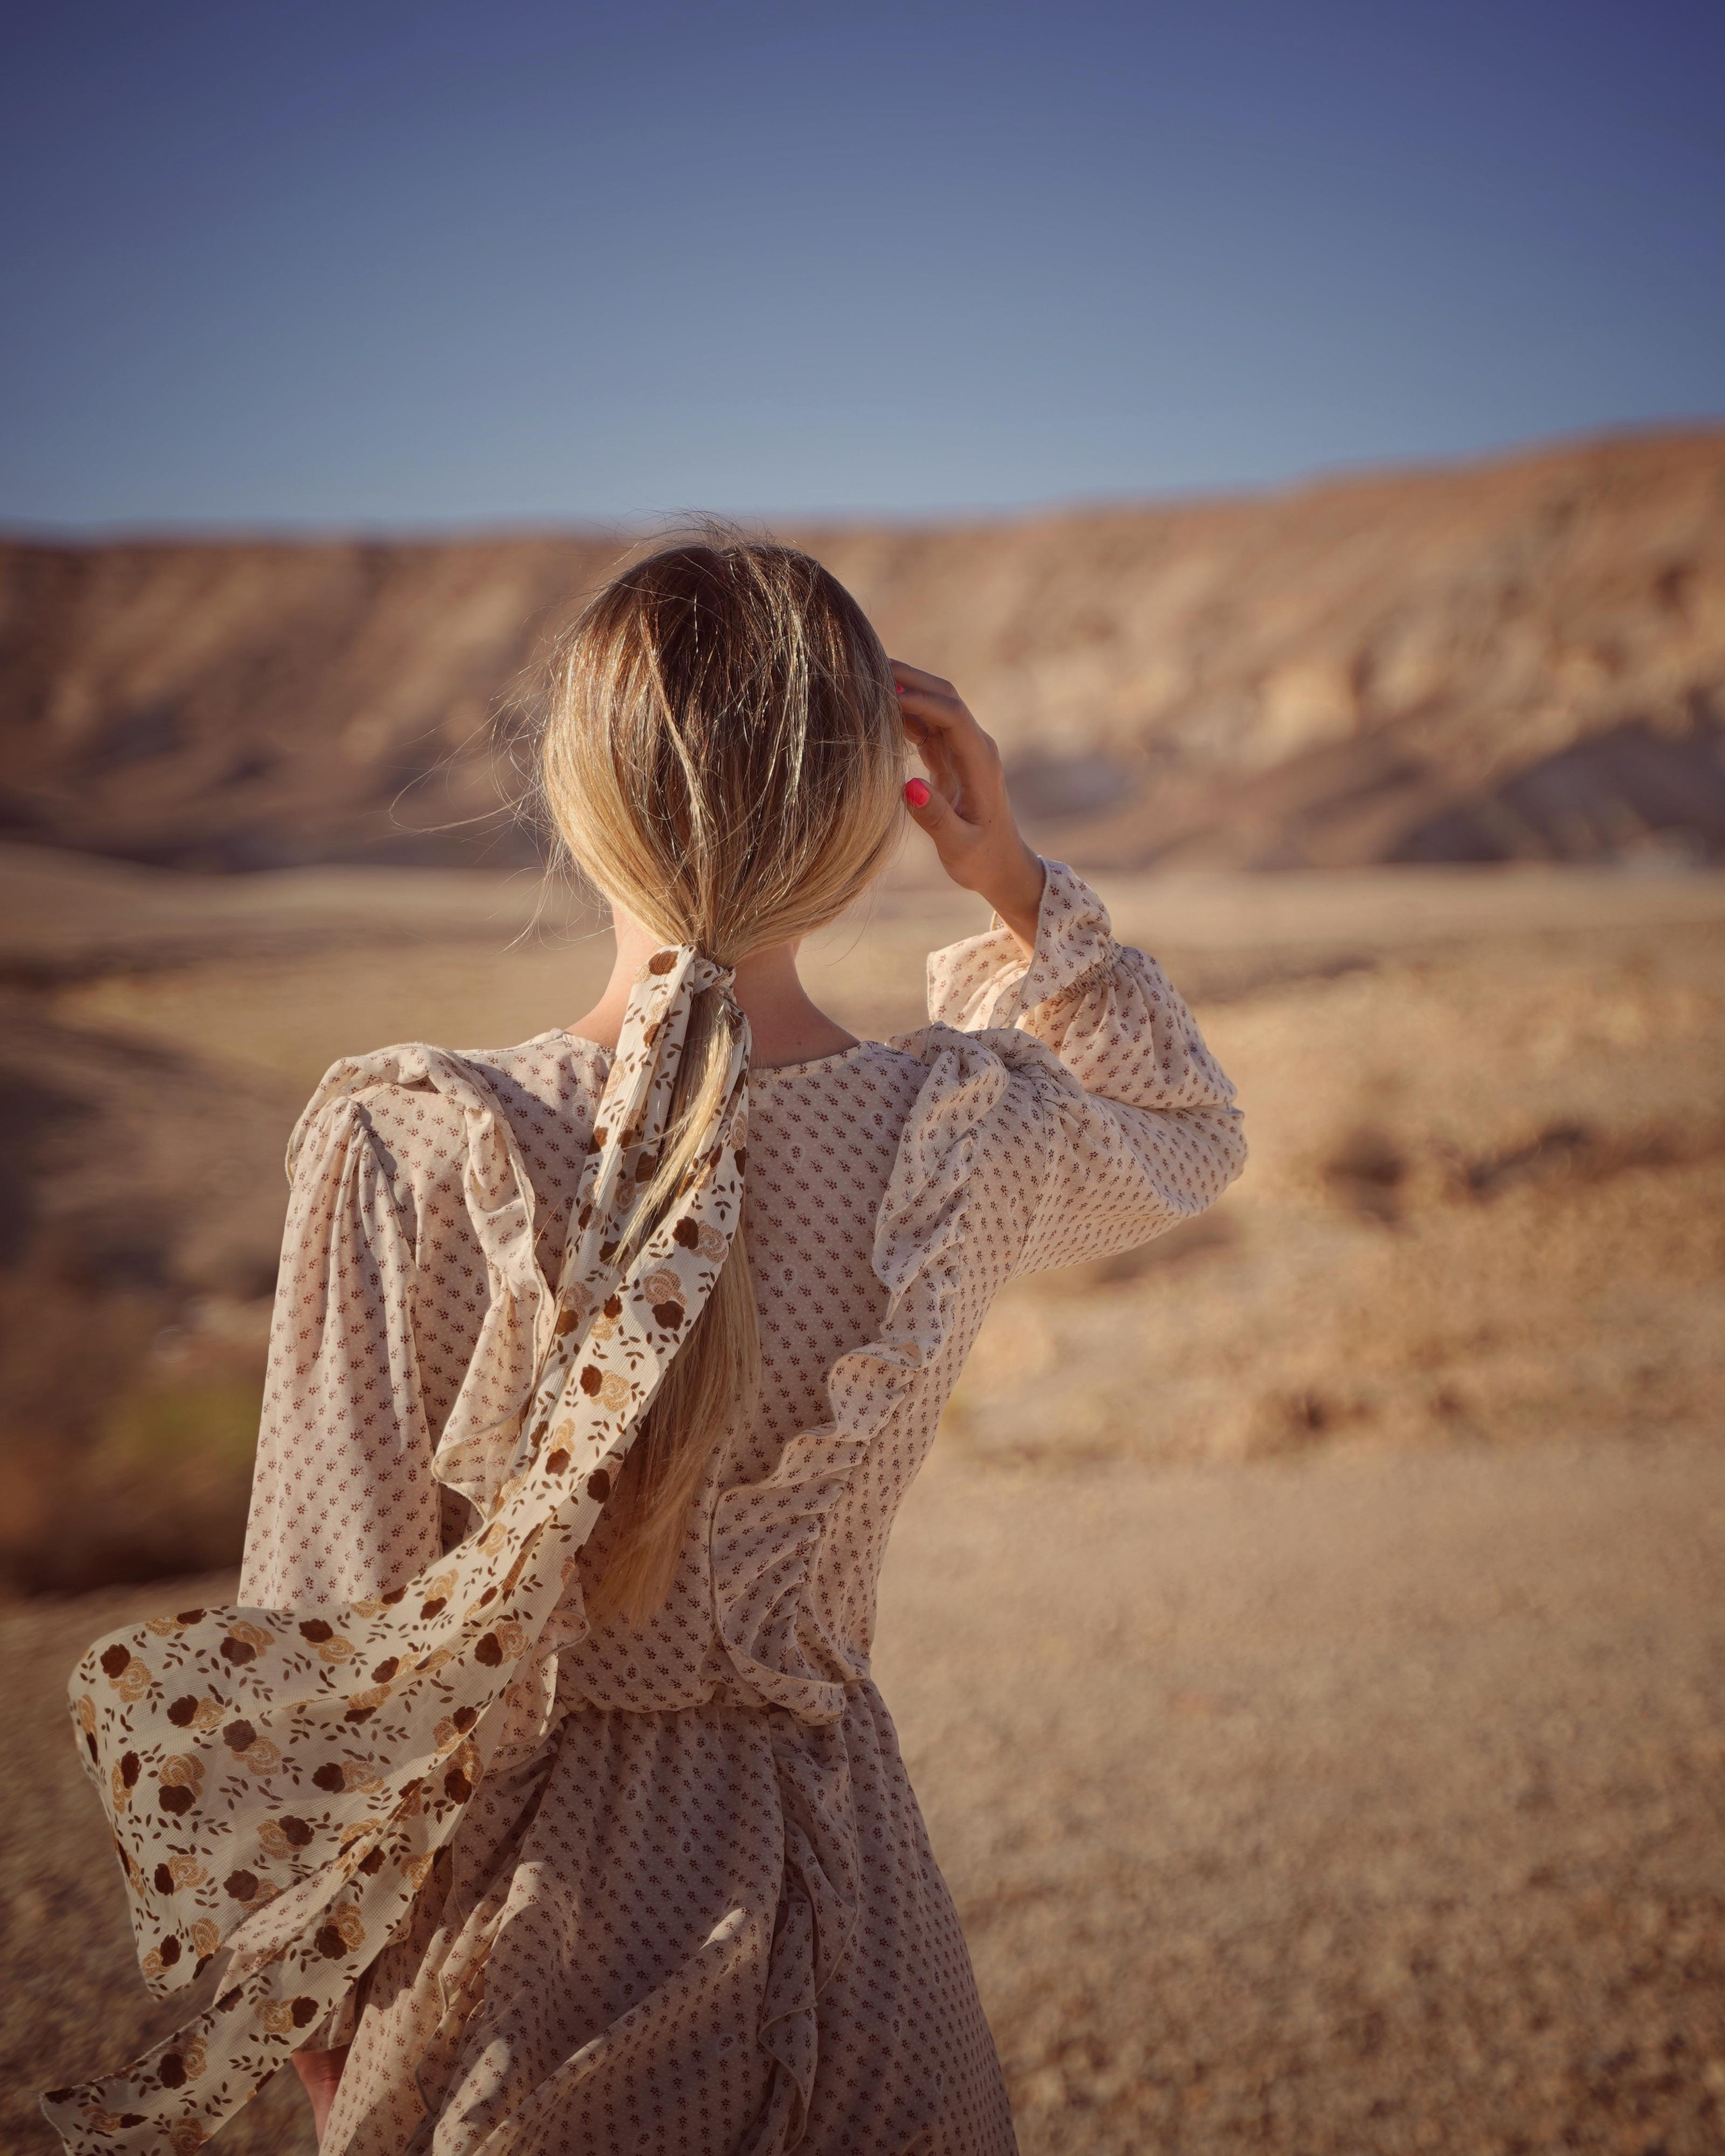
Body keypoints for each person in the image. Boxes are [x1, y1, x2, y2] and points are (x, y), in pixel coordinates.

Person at [44, 538, 1246, 2156]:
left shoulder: (418, 1144)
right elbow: (1182, 1122)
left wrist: (335, 2055)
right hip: (862, 1941)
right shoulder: (955, 1138)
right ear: (862, 817)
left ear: (574, 796)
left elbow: (316, 1653)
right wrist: (1012, 878)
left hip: (520, 1970)